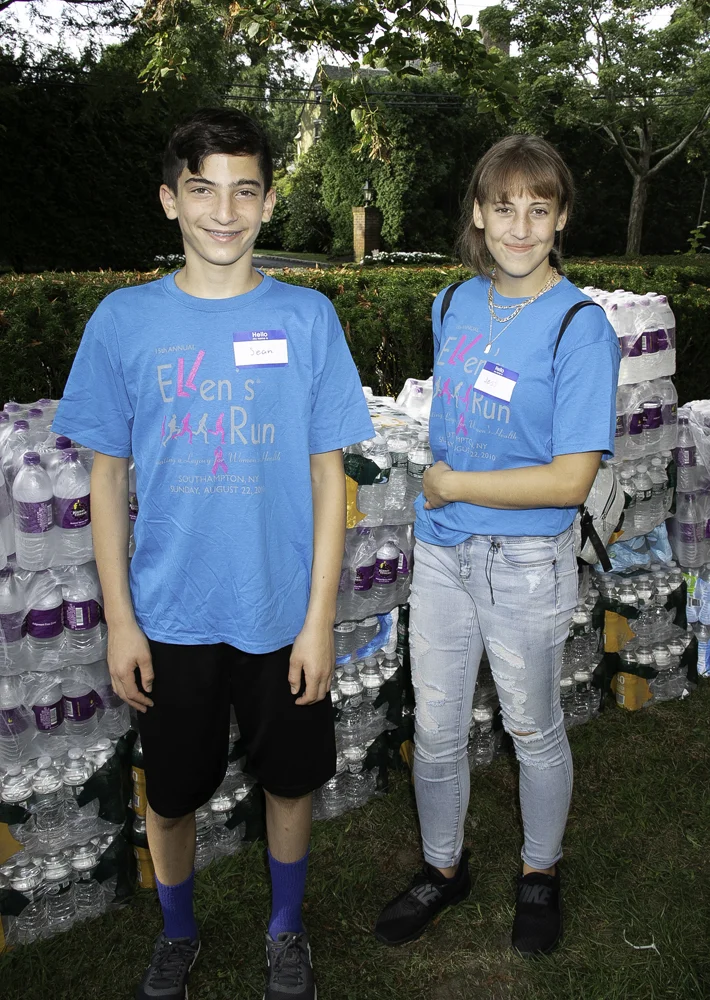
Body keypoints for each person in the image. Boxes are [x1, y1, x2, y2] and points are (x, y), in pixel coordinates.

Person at [52, 107, 373, 1000]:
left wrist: (319, 621)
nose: (223, 212)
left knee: (291, 782)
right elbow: (107, 482)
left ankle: (285, 928)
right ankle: (177, 932)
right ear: (170, 200)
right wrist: (122, 622)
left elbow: (329, 479)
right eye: (202, 190)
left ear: (268, 203)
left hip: (282, 613)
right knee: (171, 792)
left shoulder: (307, 318)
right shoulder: (124, 321)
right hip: (169, 614)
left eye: (243, 191)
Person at [374, 135, 620, 956]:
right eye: (504, 207)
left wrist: (454, 486)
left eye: (538, 209)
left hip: (526, 563)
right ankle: (443, 868)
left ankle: (540, 870)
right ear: (479, 214)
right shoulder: (451, 303)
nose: (520, 227)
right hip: (444, 555)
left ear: (561, 219)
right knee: (437, 728)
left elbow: (569, 480)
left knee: (532, 727)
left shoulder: (580, 327)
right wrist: (446, 491)